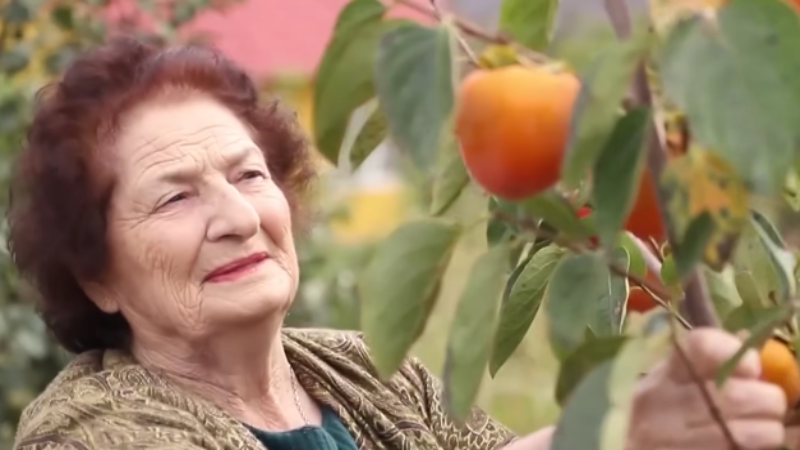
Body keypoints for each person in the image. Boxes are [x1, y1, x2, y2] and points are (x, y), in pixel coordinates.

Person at [7, 34, 792, 450]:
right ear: (96, 274)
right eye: (176, 196)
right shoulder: (85, 434)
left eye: (249, 175)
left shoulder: (373, 375)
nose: (239, 217)